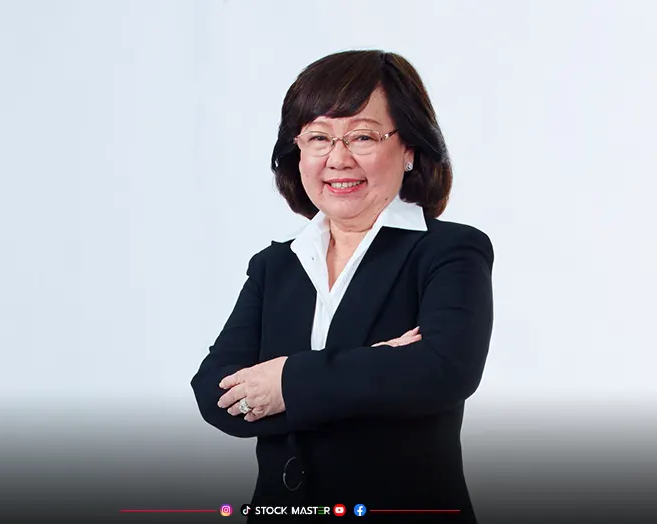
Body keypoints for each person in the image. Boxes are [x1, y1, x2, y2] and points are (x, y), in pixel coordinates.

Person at [190, 50, 494, 522]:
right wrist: (375, 364)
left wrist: (285, 382)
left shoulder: (448, 251)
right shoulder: (276, 266)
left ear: (410, 148)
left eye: (363, 136)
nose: (338, 158)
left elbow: (443, 371)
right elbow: (214, 392)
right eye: (318, 138)